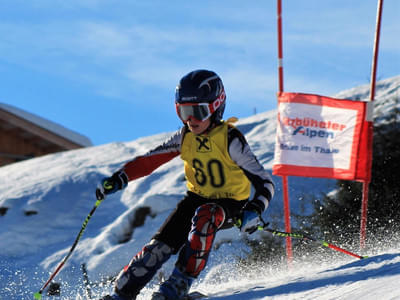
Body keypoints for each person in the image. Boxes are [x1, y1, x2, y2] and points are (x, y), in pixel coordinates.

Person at [97, 69, 275, 300]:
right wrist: (121, 177)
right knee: (155, 252)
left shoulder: (230, 140)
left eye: (198, 112)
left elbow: (265, 182)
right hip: (195, 200)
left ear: (215, 107)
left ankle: (176, 287)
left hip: (230, 204)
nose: (191, 120)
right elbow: (151, 160)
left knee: (205, 216)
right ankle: (122, 294)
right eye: (184, 112)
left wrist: (254, 210)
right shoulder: (185, 136)